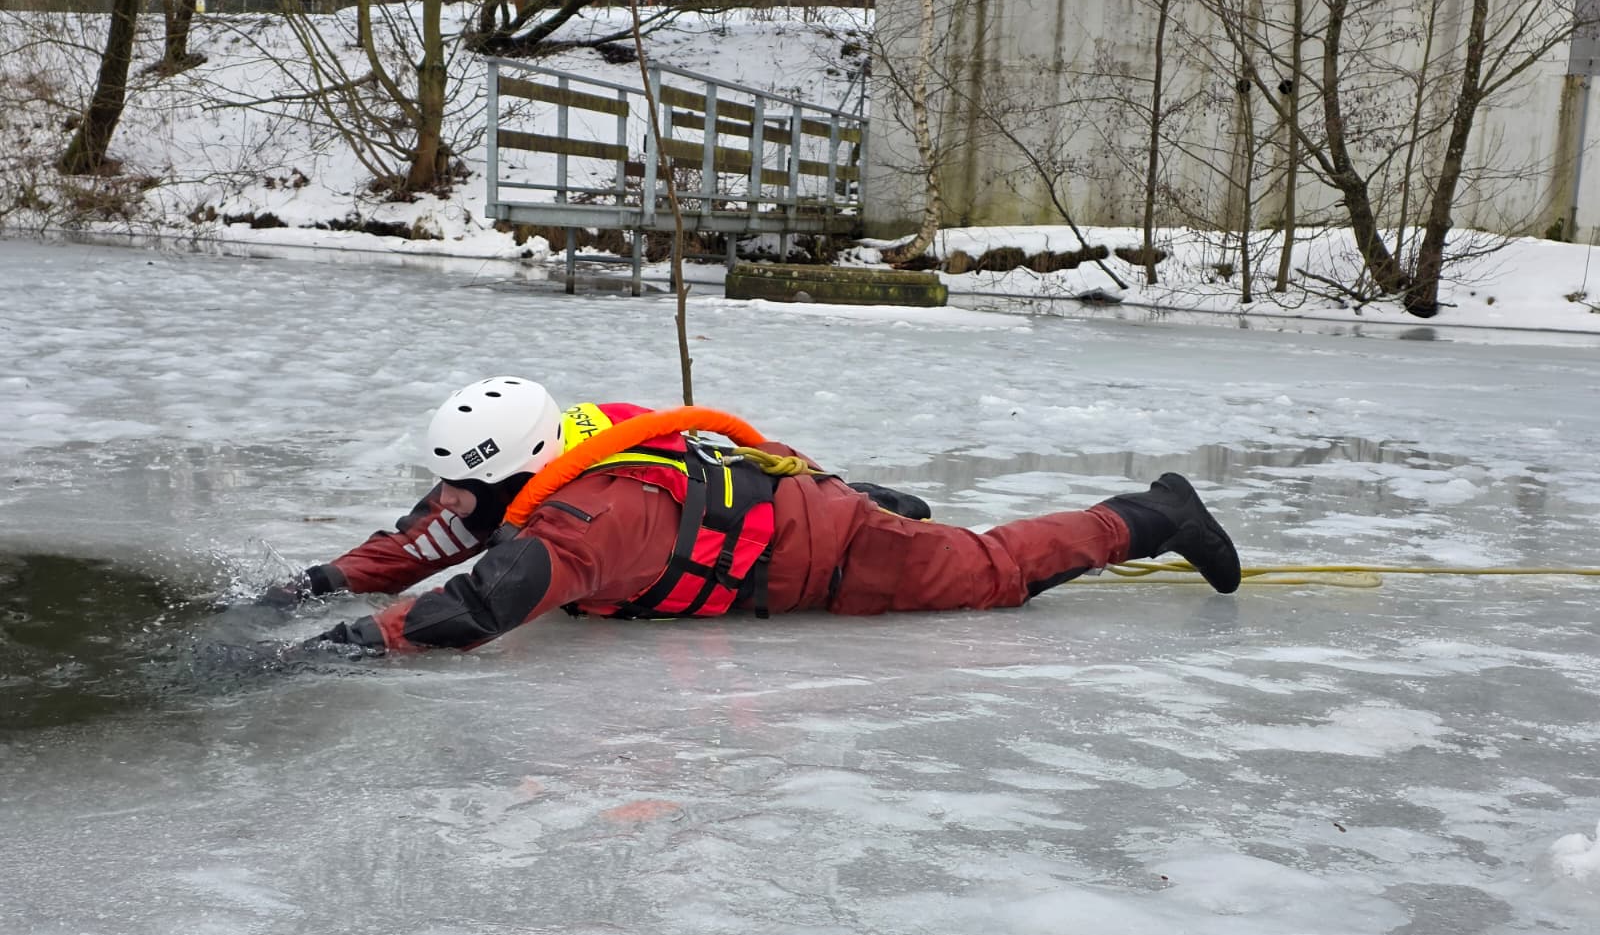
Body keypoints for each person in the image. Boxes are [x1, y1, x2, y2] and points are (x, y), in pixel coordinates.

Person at [265, 377, 1241, 657]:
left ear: (520, 467)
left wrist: (349, 642)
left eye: (469, 492)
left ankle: (1148, 514)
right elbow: (437, 533)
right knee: (889, 521)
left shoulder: (593, 515)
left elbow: (482, 602)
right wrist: (317, 585)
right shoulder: (549, 445)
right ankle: (877, 503)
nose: (456, 508)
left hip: (826, 554)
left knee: (989, 573)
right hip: (769, 501)